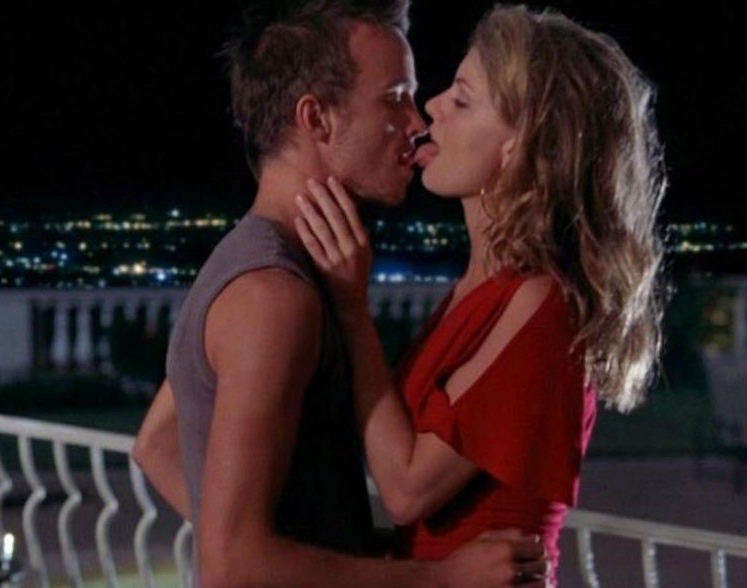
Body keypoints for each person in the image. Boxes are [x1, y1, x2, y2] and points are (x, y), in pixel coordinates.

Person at [132, 2, 547, 587]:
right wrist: (439, 579)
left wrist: (324, 552)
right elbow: (232, 565)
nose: (416, 122)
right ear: (317, 118)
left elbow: (156, 446)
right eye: (395, 98)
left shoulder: (260, 262)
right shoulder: (274, 298)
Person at [294, 5, 666, 585]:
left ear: (520, 146)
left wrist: (351, 306)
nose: (432, 108)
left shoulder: (544, 306)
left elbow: (407, 489)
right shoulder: (486, 288)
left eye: (462, 101)